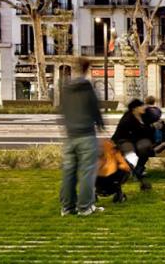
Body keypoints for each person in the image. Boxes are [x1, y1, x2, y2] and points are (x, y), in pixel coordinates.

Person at [59, 58, 106, 216]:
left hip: (70, 135)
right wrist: (100, 124)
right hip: (86, 133)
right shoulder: (87, 87)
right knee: (87, 172)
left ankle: (67, 207)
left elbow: (62, 109)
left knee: (69, 173)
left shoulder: (65, 88)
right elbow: (94, 108)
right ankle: (85, 207)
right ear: (87, 69)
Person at [112, 98, 154, 190]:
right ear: (135, 108)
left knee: (146, 148)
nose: (144, 107)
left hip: (137, 142)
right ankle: (136, 174)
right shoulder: (127, 119)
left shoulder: (144, 117)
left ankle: (138, 170)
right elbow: (124, 135)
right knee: (133, 155)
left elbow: (148, 130)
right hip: (123, 141)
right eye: (141, 106)